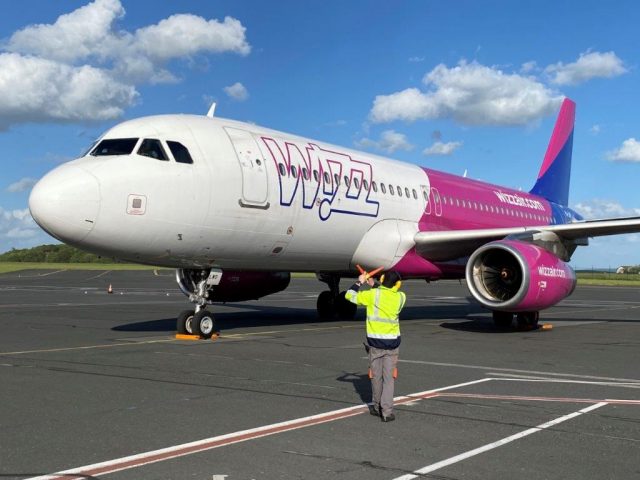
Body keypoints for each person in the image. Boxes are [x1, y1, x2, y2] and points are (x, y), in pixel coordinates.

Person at [345, 270, 406, 422]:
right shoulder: (400, 298)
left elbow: (349, 295)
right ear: (398, 284)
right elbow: (386, 294)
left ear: (383, 279)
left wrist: (360, 281)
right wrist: (375, 285)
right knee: (389, 379)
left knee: (376, 377)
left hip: (374, 344)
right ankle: (386, 412)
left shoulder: (373, 295)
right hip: (392, 344)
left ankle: (376, 405)